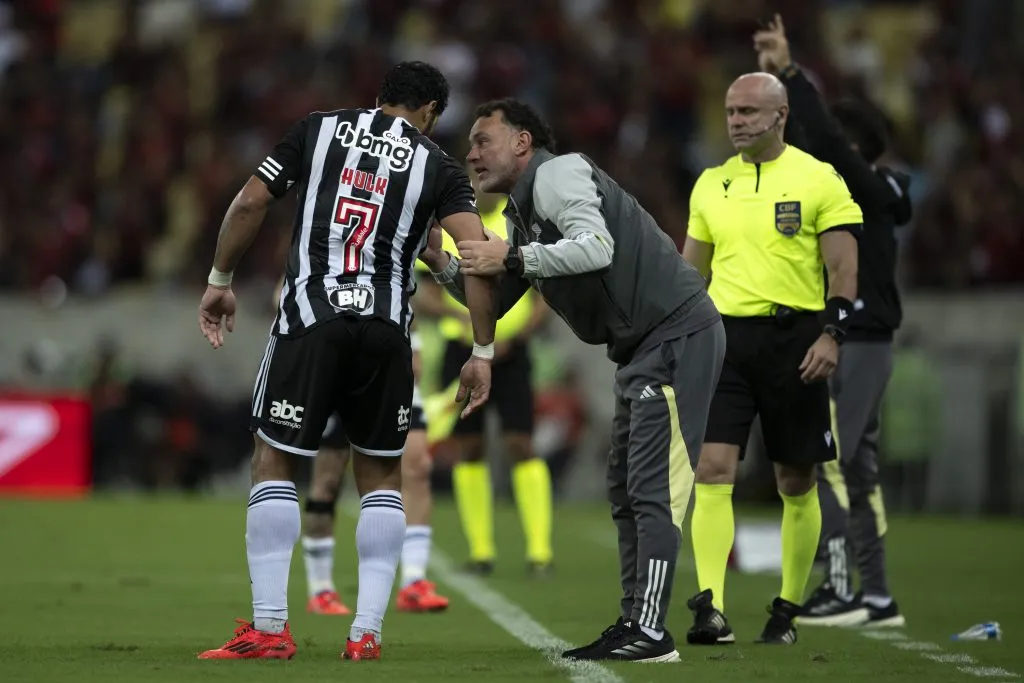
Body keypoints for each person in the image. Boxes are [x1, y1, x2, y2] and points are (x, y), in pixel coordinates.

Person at [196, 61, 498, 662]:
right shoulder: (438, 166)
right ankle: (365, 635)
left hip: (312, 318)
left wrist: (220, 279)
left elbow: (251, 202)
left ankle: (271, 628)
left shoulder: (318, 130)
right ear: (432, 113)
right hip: (387, 330)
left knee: (275, 459)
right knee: (382, 477)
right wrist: (482, 350)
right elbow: (477, 257)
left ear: (379, 97)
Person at [420, 98, 725, 663]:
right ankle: (636, 618)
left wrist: (511, 257)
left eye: (484, 139)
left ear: (522, 142)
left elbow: (595, 246)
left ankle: (651, 630)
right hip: (643, 348)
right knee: (626, 488)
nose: (471, 152)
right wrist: (440, 263)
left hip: (677, 335)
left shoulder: (560, 173)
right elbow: (490, 292)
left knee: (650, 487)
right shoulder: (519, 211)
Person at [681, 71, 861, 645]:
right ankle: (711, 607)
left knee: (794, 477)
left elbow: (844, 271)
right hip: (725, 342)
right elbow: (692, 274)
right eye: (731, 111)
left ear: (780, 116)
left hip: (796, 341)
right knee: (712, 469)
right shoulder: (711, 184)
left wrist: (832, 334)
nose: (736, 121)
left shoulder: (818, 179)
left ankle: (785, 609)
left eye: (749, 112)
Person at [755, 15, 910, 628]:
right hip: (852, 338)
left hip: (861, 341)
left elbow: (829, 141)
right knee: (858, 466)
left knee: (834, 461)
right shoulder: (852, 189)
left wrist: (788, 75)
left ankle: (843, 588)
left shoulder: (874, 185)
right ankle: (877, 596)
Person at [416, 189, 553, 577]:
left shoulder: (518, 227)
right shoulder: (449, 226)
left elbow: (544, 293)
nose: (481, 187)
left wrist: (519, 335)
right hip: (461, 351)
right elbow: (424, 294)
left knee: (520, 443)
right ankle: (481, 551)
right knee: (469, 446)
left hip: (513, 353)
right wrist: (465, 320)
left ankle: (540, 551)